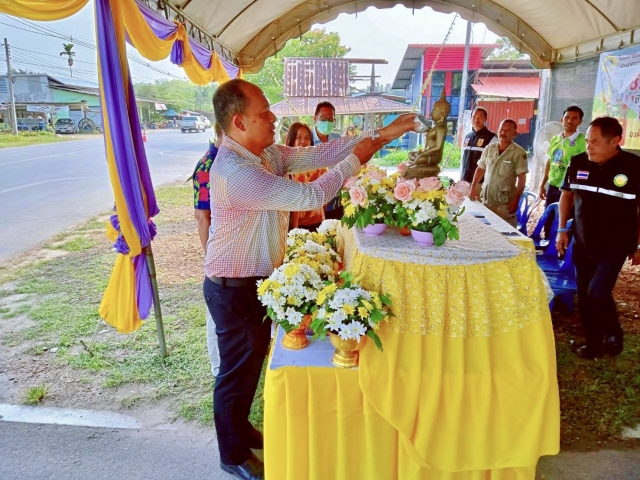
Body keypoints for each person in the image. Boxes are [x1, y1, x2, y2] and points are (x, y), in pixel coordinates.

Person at [204, 78, 415, 480]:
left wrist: (383, 134)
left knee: (250, 363)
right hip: (233, 286)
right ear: (238, 122)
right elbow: (308, 197)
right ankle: (231, 454)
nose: (272, 117)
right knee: (236, 369)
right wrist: (358, 159)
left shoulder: (263, 153)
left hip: (254, 281)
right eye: (263, 113)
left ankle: (242, 429)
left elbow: (324, 151)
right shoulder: (235, 171)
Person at [556, 116, 640, 359]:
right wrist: (562, 229)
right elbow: (567, 196)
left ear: (615, 141)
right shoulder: (578, 162)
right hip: (583, 242)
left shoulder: (633, 166)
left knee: (598, 292)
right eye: (587, 141)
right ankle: (593, 343)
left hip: (615, 245)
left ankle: (613, 331)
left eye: (595, 142)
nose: (588, 146)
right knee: (584, 294)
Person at [193, 122, 224, 377]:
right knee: (215, 315)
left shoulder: (227, 162)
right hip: (218, 249)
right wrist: (210, 256)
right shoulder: (208, 166)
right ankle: (217, 369)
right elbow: (203, 218)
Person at [469, 119, 528, 227]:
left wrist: (516, 200)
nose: (503, 133)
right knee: (486, 230)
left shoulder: (519, 152)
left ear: (514, 134)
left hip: (504, 204)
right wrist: (473, 187)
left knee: (505, 233)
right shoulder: (489, 148)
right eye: (501, 129)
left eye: (507, 130)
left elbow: (522, 179)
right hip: (487, 200)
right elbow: (481, 168)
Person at [539, 106, 586, 236]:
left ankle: (562, 254)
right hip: (553, 187)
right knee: (548, 220)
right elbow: (549, 161)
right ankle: (548, 248)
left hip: (569, 191)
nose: (569, 121)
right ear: (561, 119)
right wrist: (543, 184)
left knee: (565, 223)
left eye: (574, 118)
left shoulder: (583, 142)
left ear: (580, 121)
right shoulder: (555, 139)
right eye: (567, 117)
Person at [285, 122, 325, 231]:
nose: (303, 141)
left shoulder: (318, 164)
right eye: (299, 137)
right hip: (293, 224)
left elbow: (326, 194)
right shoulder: (285, 165)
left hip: (317, 221)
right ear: (291, 140)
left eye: (307, 137)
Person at [312, 101, 344, 220]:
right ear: (315, 118)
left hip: (335, 197)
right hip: (315, 197)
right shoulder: (307, 138)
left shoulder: (337, 139)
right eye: (323, 118)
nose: (327, 122)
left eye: (330, 119)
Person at [460, 107, 497, 186]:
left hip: (481, 182)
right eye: (474, 117)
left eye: (480, 117)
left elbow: (494, 162)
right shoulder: (468, 137)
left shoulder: (491, 138)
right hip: (465, 180)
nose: (476, 120)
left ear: (485, 119)